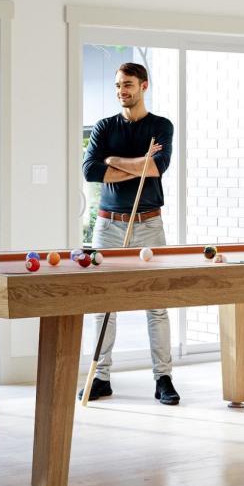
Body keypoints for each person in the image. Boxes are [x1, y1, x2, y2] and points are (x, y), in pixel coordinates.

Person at [81, 61, 180, 405]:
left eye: (128, 85)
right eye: (118, 85)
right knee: (102, 305)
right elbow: (91, 171)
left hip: (149, 224)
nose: (122, 91)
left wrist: (114, 161)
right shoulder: (104, 127)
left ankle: (163, 378)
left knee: (157, 305)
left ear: (144, 86)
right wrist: (131, 163)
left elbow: (156, 167)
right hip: (108, 226)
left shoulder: (160, 127)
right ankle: (101, 377)